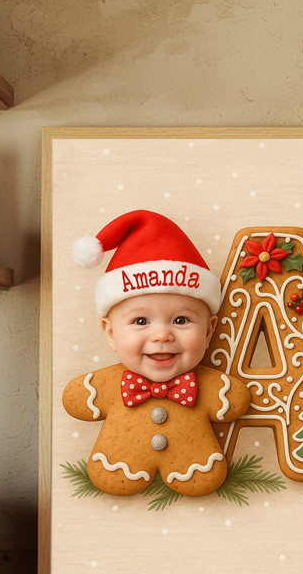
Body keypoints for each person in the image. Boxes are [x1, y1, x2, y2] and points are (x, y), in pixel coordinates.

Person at [62, 210, 250, 497]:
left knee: (201, 475)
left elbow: (234, 399)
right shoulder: (103, 388)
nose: (162, 335)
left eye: (181, 320)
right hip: (117, 463)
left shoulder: (213, 388)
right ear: (110, 333)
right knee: (112, 471)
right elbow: (78, 398)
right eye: (140, 322)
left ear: (209, 331)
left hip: (197, 463)